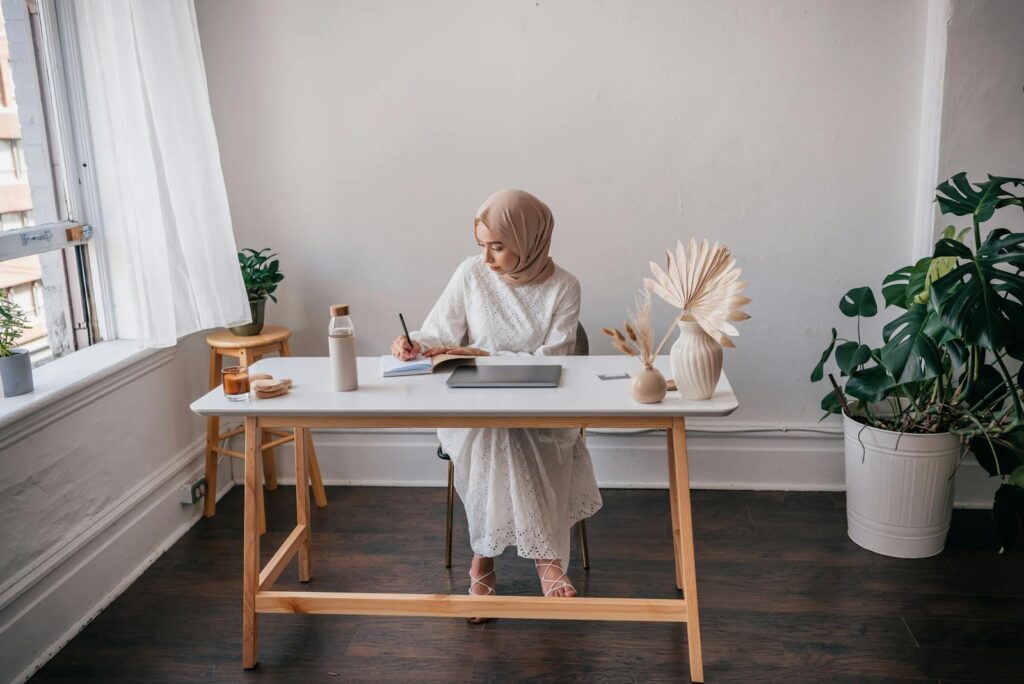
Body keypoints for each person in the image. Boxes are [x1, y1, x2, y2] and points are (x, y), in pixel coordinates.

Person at [390, 189, 603, 619]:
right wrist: (413, 343)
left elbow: (557, 359)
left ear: (529, 240)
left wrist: (486, 356)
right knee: (493, 430)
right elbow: (438, 331)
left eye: (499, 246)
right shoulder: (471, 274)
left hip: (543, 406)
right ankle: (545, 561)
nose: (487, 258)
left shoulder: (564, 286)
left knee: (509, 431)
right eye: (482, 245)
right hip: (473, 403)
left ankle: (483, 560)